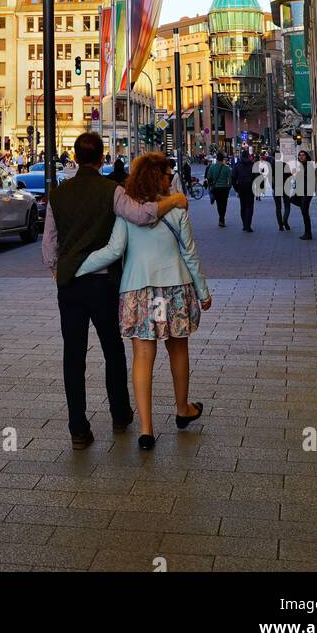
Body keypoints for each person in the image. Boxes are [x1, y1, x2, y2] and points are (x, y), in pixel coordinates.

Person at [42, 131, 188, 450]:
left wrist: (58, 272)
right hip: (103, 284)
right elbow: (141, 215)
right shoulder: (111, 191)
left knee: (73, 355)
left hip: (69, 285)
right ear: (100, 157)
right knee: (113, 350)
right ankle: (120, 413)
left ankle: (78, 428)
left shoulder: (58, 193)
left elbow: (49, 245)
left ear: (76, 157)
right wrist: (174, 200)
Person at [77, 151, 211, 450]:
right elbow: (189, 253)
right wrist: (203, 291)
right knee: (177, 349)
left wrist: (76, 268)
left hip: (138, 292)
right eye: (166, 174)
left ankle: (146, 430)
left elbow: (113, 251)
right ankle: (182, 409)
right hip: (174, 288)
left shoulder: (129, 212)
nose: (170, 178)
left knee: (142, 357)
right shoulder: (177, 209)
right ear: (157, 178)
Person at [205, 150, 232, 227]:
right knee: (224, 204)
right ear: (223, 159)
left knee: (219, 203)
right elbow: (230, 180)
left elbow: (209, 177)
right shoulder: (227, 168)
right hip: (224, 188)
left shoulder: (212, 167)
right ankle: (222, 218)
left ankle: (221, 217)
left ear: (216, 159)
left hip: (216, 188)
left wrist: (211, 185)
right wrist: (229, 187)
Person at [232, 148, 256, 232]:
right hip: (250, 187)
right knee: (250, 206)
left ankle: (244, 224)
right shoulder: (252, 165)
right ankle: (248, 224)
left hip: (241, 187)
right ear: (248, 156)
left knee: (243, 206)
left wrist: (236, 189)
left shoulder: (237, 165)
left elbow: (233, 178)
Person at [293, 150, 315, 239]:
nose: (301, 157)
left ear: (306, 157)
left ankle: (308, 233)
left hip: (307, 192)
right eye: (299, 155)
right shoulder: (301, 165)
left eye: (303, 155)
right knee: (292, 199)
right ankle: (307, 233)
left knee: (305, 213)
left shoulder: (308, 165)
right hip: (301, 191)